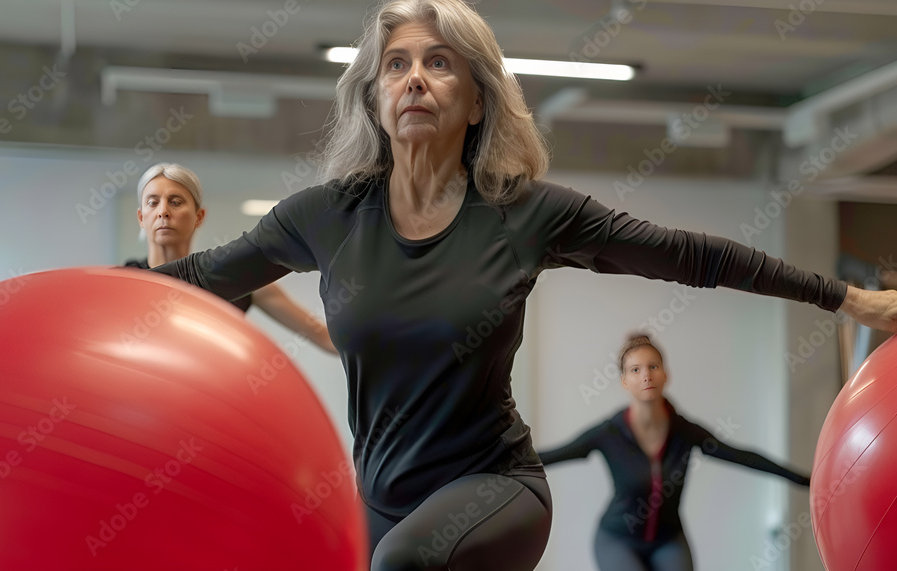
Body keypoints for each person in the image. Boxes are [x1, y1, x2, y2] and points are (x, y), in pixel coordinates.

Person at [148, 1, 897, 568]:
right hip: (377, 497)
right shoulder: (324, 216)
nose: (413, 77)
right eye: (396, 64)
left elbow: (685, 256)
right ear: (374, 98)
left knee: (403, 564)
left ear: (476, 101)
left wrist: (847, 298)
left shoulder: (524, 214)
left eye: (439, 63)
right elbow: (199, 281)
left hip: (494, 485)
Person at [538, 334, 810, 571]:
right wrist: (500, 466)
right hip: (617, 539)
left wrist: (807, 480)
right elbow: (550, 456)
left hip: (668, 539)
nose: (645, 375)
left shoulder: (685, 432)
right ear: (624, 381)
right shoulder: (609, 433)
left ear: (665, 374)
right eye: (635, 370)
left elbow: (743, 457)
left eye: (652, 366)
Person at [126, 163, 336, 355]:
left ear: (198, 217)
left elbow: (326, 339)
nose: (163, 211)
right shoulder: (121, 283)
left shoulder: (238, 279)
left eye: (175, 202)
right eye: (152, 203)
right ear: (141, 217)